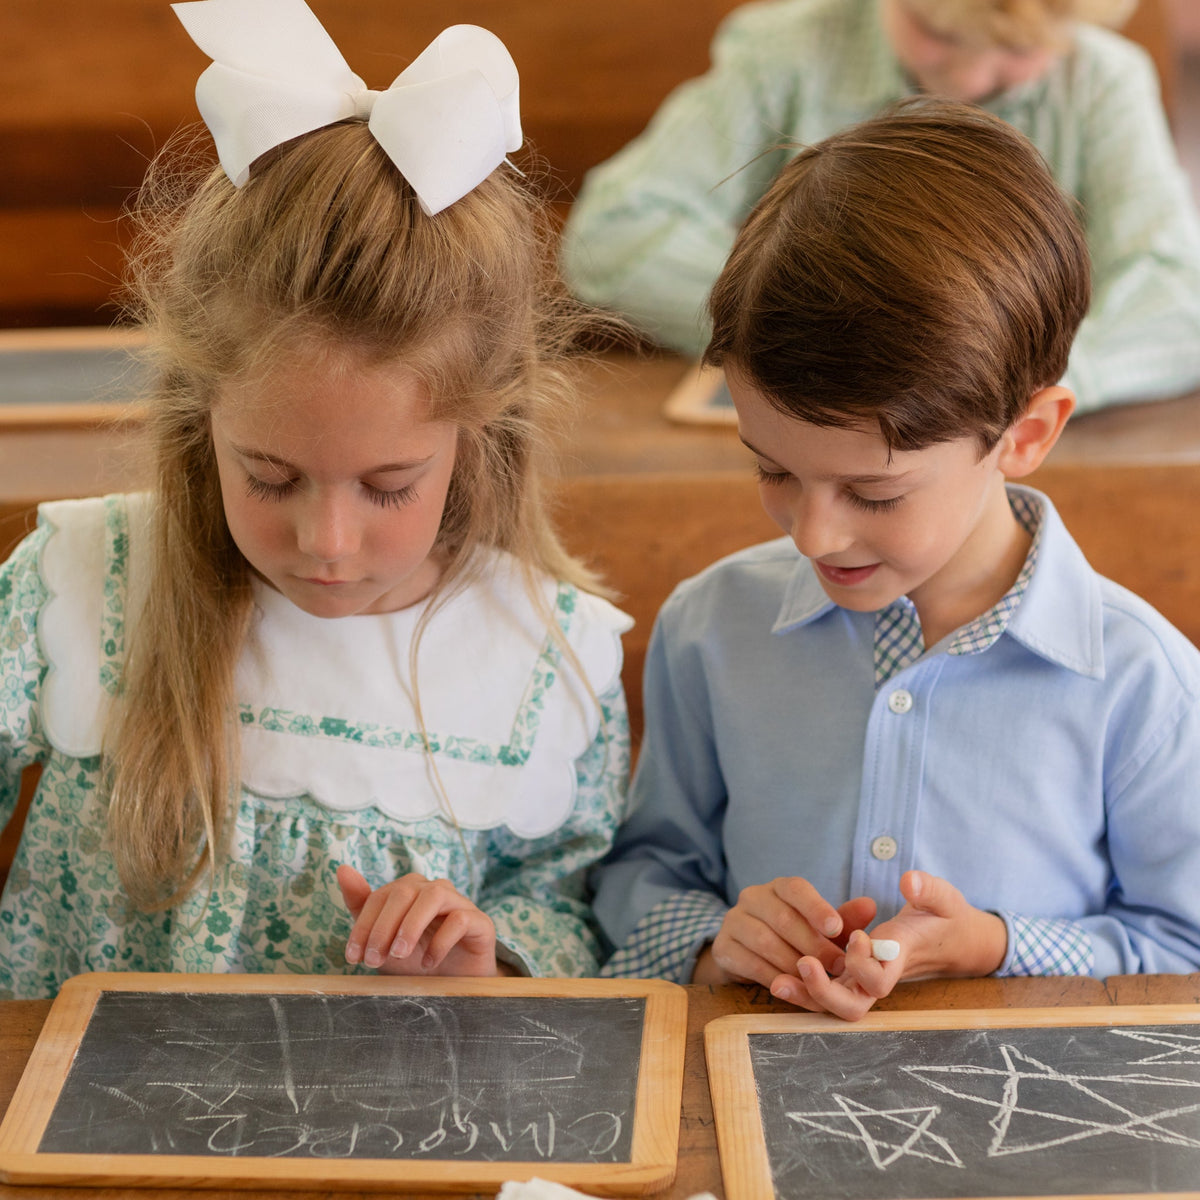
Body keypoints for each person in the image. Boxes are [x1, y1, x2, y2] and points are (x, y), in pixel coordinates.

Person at [0, 0, 632, 1001]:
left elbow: (564, 905)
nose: (326, 542)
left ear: (479, 435)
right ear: (199, 411)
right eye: (269, 476)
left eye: (389, 488)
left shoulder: (544, 659)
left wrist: (489, 955)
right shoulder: (77, 586)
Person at [591, 99, 1200, 1021]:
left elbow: (1182, 946)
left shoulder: (1142, 681)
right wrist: (715, 940)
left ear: (1026, 434)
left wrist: (995, 946)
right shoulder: (712, 629)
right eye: (774, 471)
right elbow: (640, 873)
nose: (814, 535)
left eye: (874, 495)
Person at [561, 0, 1200, 414]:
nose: (972, 82)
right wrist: (817, 326)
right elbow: (617, 232)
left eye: (1018, 53)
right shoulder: (788, 50)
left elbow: (1180, 298)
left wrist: (1030, 380)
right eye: (936, 34)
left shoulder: (1103, 80)